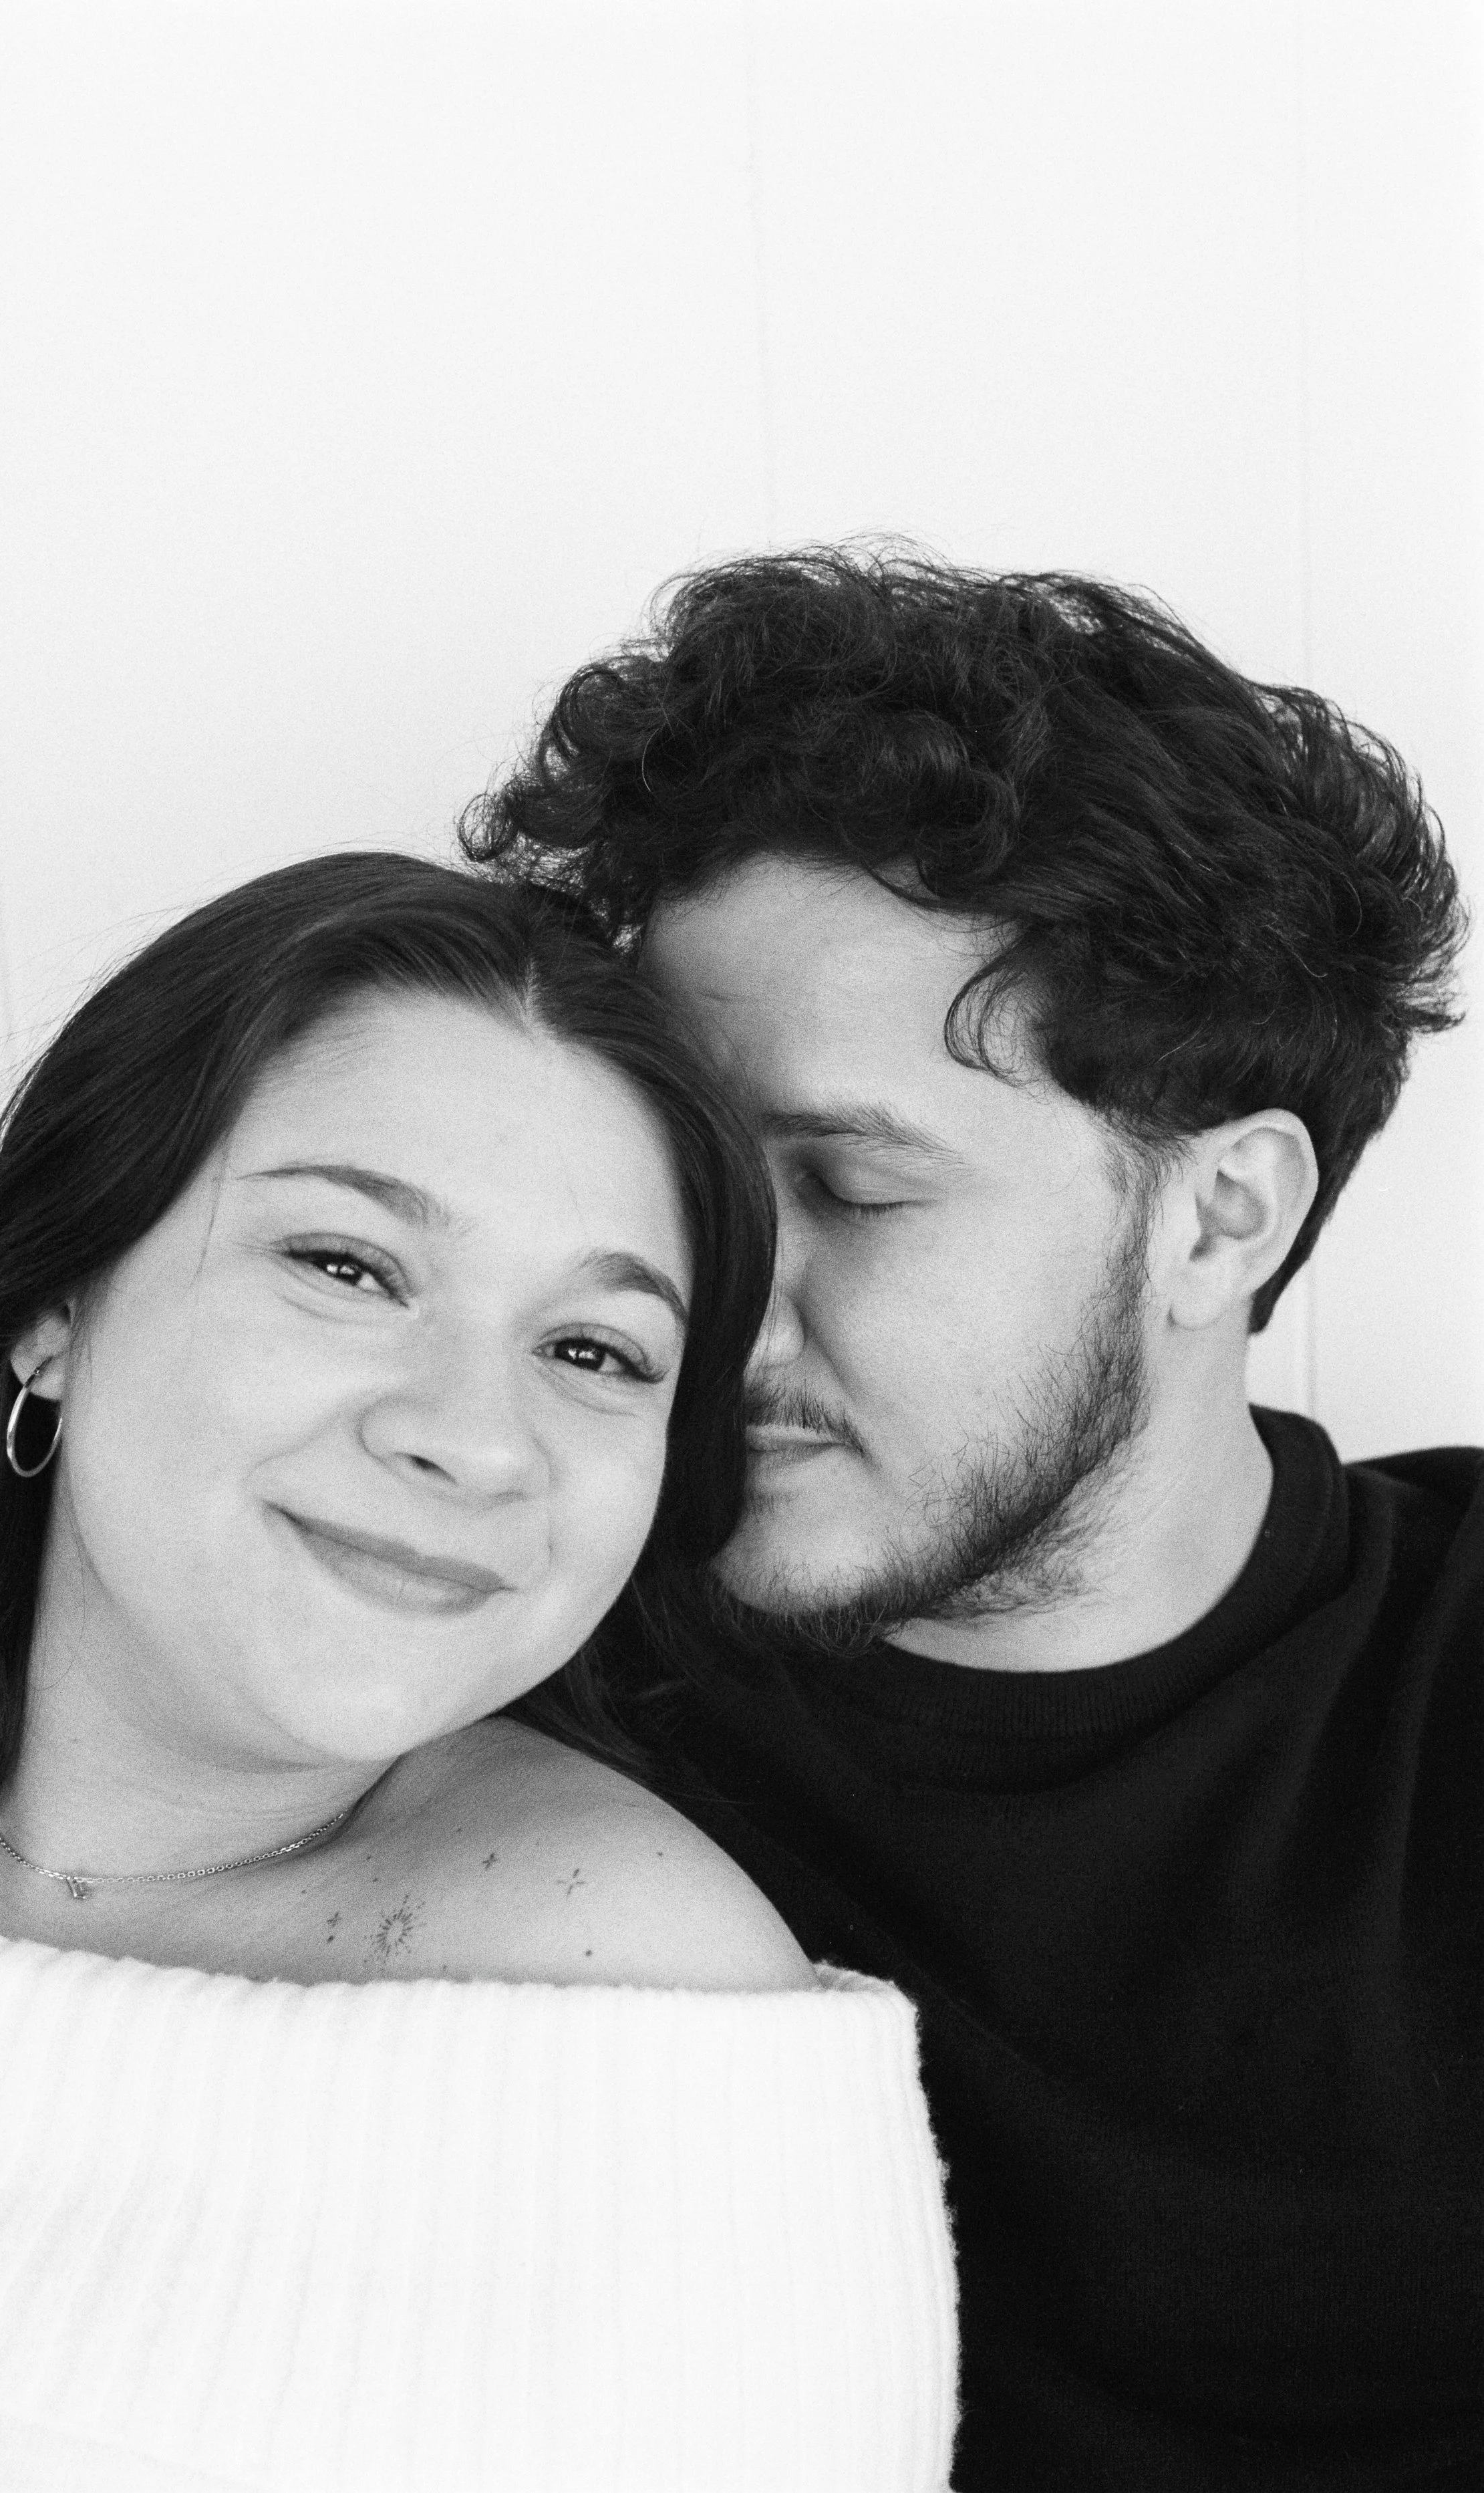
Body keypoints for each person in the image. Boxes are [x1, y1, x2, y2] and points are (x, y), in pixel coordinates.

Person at [466, 548, 1484, 2492]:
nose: (717, 1302)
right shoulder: (513, 1657)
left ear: (1217, 1217)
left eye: (849, 1187)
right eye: (696, 1179)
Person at [0, 853, 959, 2492]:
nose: (475, 1438)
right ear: (55, 1302)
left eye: (591, 1351)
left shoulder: (636, 2013)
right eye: (348, 1266)